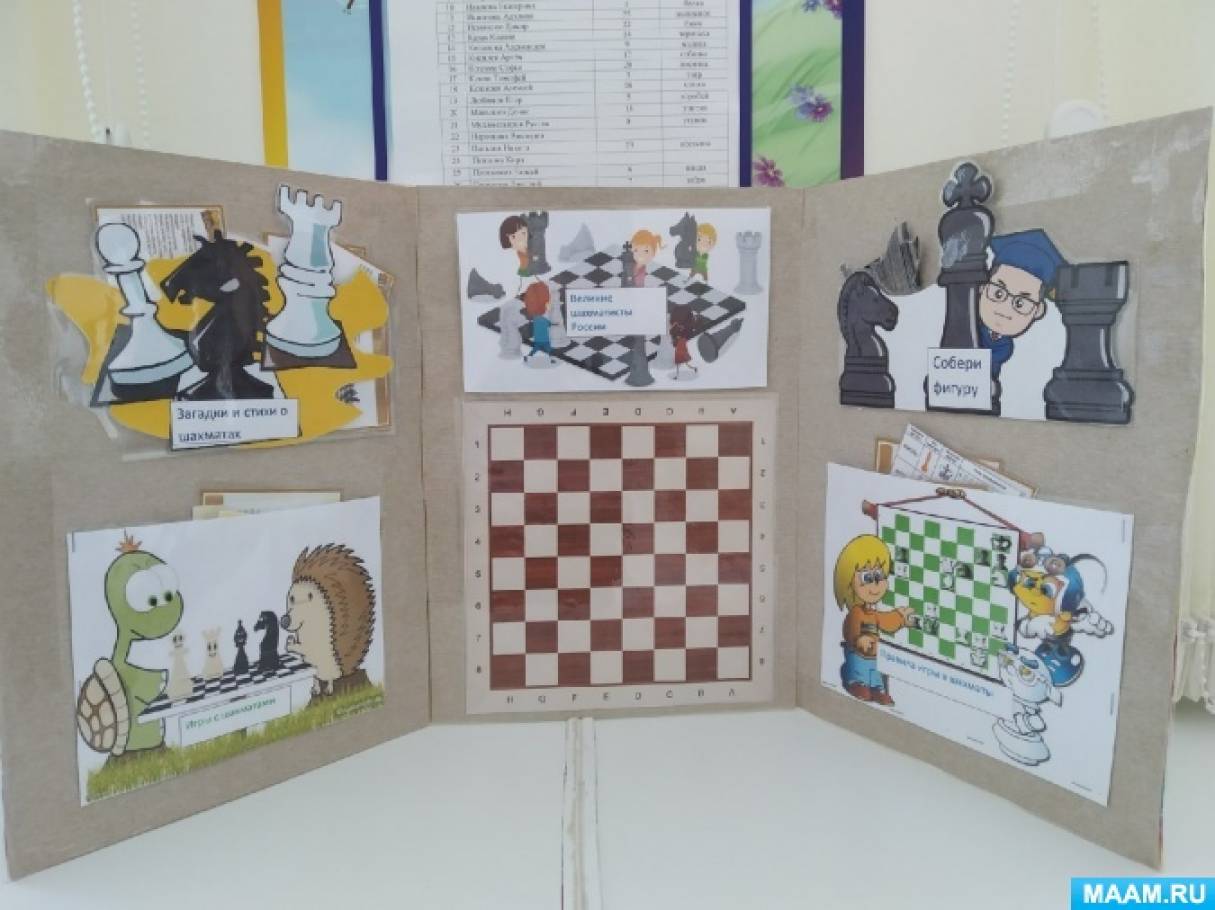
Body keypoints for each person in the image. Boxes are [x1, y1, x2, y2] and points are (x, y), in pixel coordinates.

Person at [833, 534, 913, 706]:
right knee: (859, 671)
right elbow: (850, 629)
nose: (876, 584)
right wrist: (858, 639)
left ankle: (877, 690)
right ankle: (855, 683)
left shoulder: (873, 613)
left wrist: (901, 617)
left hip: (874, 656)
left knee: (876, 676)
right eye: (867, 578)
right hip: (858, 654)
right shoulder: (856, 613)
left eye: (880, 576)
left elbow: (886, 621)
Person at [978, 229, 1066, 379]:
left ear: (1038, 310)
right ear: (983, 287)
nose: (1005, 308)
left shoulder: (1004, 348)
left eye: (1020, 303)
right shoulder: (967, 326)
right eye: (998, 293)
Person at [521, 282, 555, 365]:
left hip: (539, 339)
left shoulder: (536, 319)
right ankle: (551, 359)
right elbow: (549, 323)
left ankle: (528, 357)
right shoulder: (542, 318)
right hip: (544, 339)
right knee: (548, 349)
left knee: (535, 350)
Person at [499, 215, 530, 294]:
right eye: (513, 236)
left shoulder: (526, 250)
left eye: (524, 233)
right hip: (521, 277)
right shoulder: (511, 256)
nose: (521, 239)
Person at [668, 304, 698, 380]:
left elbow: (672, 329)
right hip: (681, 337)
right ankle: (683, 366)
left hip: (681, 338)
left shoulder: (675, 321)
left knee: (680, 354)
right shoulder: (680, 323)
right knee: (680, 353)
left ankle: (678, 371)